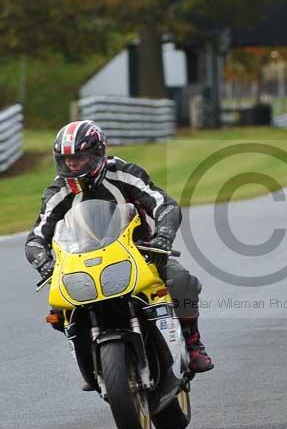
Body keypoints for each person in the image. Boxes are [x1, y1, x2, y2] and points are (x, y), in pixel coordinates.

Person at [25, 120, 214, 384]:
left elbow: (164, 204)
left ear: (98, 153)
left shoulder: (124, 173)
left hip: (142, 252)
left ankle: (192, 343)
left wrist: (163, 237)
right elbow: (36, 236)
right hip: (82, 261)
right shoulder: (58, 191)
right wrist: (43, 262)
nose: (72, 164)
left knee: (181, 281)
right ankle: (89, 360)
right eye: (66, 158)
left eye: (79, 157)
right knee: (59, 304)